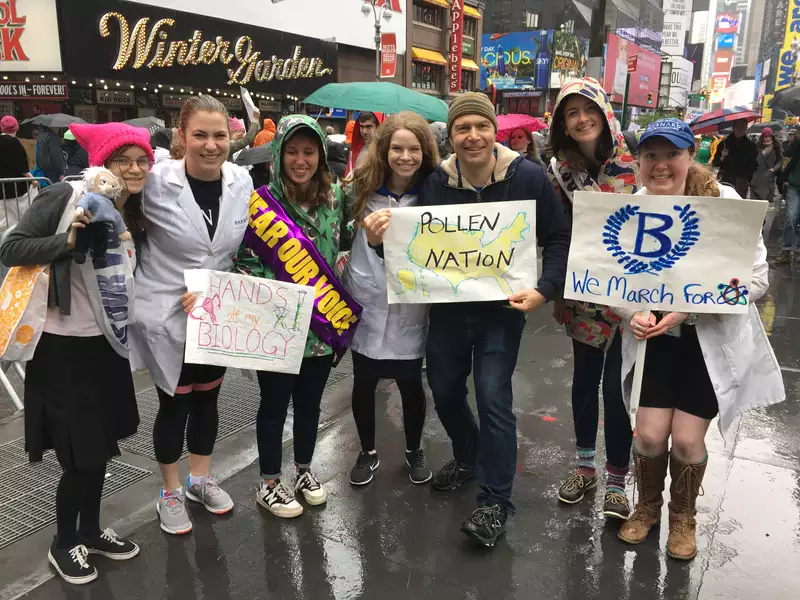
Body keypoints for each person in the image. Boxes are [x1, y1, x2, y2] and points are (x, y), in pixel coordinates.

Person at [365, 93, 570, 547]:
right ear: (451, 136)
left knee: (494, 396)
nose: (472, 136)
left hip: (503, 313)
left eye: (481, 126)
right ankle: (469, 452)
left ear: (493, 129)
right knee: (444, 391)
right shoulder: (435, 183)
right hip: (450, 310)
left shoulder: (529, 177)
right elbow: (413, 244)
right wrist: (380, 242)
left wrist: (544, 289)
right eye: (462, 128)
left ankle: (495, 501)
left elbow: (558, 239)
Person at [616, 118, 784, 560]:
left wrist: (688, 308)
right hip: (654, 343)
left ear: (692, 157)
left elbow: (757, 280)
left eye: (671, 154)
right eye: (651, 155)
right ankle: (647, 506)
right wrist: (631, 312)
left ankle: (683, 517)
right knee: (650, 436)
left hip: (706, 343)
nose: (661, 165)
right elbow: (609, 281)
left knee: (689, 441)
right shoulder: (629, 210)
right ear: (640, 161)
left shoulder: (725, 205)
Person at [0, 122, 151, 584]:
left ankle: (91, 530)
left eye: (141, 160)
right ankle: (64, 542)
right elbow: (12, 246)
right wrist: (65, 243)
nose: (132, 169)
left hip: (106, 344)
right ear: (102, 164)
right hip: (60, 348)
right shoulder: (65, 197)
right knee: (80, 454)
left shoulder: (132, 211)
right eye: (122, 160)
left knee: (102, 449)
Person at [131, 96, 253, 535]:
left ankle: (200, 478)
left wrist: (232, 285)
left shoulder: (242, 181)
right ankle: (169, 491)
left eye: (219, 135)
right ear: (181, 136)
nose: (210, 145)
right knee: (175, 403)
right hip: (166, 310)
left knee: (208, 398)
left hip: (215, 312)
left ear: (230, 137)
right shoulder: (154, 180)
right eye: (199, 135)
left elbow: (243, 249)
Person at [236, 115, 352, 519]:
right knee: (273, 404)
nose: (300, 160)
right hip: (277, 327)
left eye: (309, 152)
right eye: (292, 152)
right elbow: (247, 258)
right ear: (278, 154)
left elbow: (349, 240)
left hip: (322, 324)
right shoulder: (261, 201)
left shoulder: (336, 194)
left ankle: (303, 470)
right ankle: (269, 482)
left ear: (321, 154)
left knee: (310, 405)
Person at [546, 77, 639, 522]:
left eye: (589, 109)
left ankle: (618, 478)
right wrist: (561, 295)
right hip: (584, 294)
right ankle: (585, 466)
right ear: (563, 123)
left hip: (634, 295)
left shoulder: (636, 164)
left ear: (604, 113)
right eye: (571, 112)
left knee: (617, 387)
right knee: (585, 381)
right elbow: (561, 237)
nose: (582, 119)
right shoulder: (558, 171)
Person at [343, 112, 440, 487]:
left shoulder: (435, 191)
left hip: (410, 305)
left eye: (413, 148)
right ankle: (367, 452)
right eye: (396, 148)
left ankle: (414, 449)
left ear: (425, 151)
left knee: (411, 383)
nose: (405, 156)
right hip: (369, 300)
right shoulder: (360, 189)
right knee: (363, 382)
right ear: (383, 150)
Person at [0, 115, 36, 230]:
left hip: (1, 191)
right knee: (16, 221)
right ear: (16, 129)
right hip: (16, 191)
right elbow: (24, 170)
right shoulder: (16, 144)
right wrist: (34, 181)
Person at [712, 118, 758, 198]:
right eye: (738, 127)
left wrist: (746, 179)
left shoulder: (751, 146)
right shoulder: (724, 144)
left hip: (741, 183)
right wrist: (722, 157)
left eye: (743, 127)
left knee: (738, 207)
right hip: (725, 180)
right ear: (733, 127)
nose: (740, 130)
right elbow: (715, 163)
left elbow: (754, 165)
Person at [776, 130, 800, 264]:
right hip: (794, 186)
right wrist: (797, 140)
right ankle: (786, 250)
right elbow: (786, 153)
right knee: (791, 217)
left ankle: (798, 252)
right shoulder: (796, 145)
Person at [346, 112, 384, 176]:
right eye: (361, 127)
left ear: (378, 127)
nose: (364, 132)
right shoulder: (358, 149)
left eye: (369, 127)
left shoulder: (384, 152)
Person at [750, 128, 782, 203]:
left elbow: (780, 161)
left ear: (772, 137)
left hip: (768, 181)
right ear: (762, 137)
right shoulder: (757, 148)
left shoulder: (776, 148)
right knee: (754, 205)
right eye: (765, 136)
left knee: (764, 207)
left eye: (769, 136)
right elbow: (752, 161)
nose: (767, 138)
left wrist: (774, 169)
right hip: (756, 180)